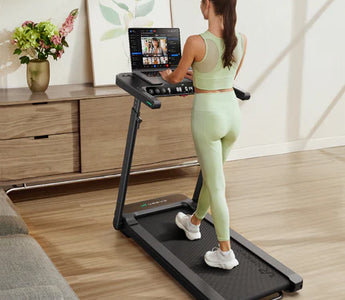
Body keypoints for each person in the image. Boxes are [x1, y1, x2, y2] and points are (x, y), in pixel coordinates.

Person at [160, 0, 247, 270]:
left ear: (208, 4)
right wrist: (195, 72)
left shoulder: (196, 42)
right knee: (213, 178)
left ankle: (225, 253)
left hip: (208, 116)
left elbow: (174, 78)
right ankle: (194, 223)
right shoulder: (241, 39)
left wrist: (168, 74)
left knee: (217, 185)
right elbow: (226, 77)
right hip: (232, 115)